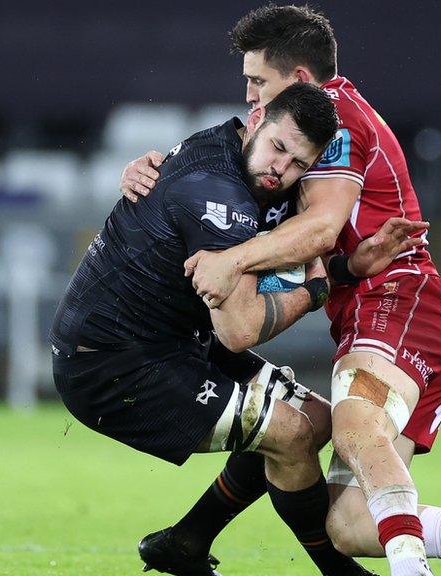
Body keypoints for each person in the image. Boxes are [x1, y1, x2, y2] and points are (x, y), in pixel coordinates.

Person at [123, 6, 441, 576]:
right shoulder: (302, 132)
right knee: (349, 525)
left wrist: (230, 259)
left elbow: (319, 228)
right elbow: (240, 181)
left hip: (399, 300)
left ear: (302, 81)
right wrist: (160, 172)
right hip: (383, 311)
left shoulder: (332, 118)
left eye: (258, 81)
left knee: (353, 421)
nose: (250, 97)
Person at [52, 83, 377, 576]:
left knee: (318, 419)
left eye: (298, 165)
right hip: (112, 363)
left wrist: (342, 265)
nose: (281, 171)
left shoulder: (233, 151)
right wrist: (316, 291)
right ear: (257, 118)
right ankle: (338, 572)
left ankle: (185, 542)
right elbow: (239, 332)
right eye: (279, 149)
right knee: (289, 435)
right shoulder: (216, 198)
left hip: (174, 342)